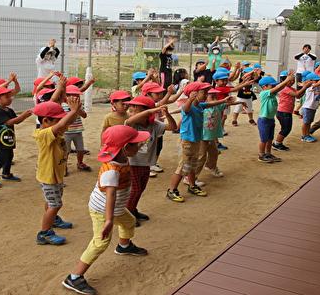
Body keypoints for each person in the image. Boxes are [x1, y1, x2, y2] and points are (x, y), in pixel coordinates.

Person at [62, 125, 150, 295]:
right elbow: (110, 196)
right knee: (100, 241)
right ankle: (74, 277)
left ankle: (124, 246)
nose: (139, 145)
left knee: (129, 221)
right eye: (136, 143)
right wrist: (109, 220)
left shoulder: (122, 157)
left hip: (116, 209)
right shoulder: (112, 171)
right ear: (125, 148)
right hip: (103, 210)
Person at [166, 82, 234, 202]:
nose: (206, 94)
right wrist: (190, 99)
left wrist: (224, 100)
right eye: (204, 92)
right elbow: (186, 109)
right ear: (194, 94)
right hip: (187, 141)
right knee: (183, 167)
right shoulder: (188, 106)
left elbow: (210, 103)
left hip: (196, 140)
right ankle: (172, 190)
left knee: (192, 165)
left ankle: (192, 186)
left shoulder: (200, 105)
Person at [32, 98, 81, 245]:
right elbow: (61, 124)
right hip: (48, 177)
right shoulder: (44, 134)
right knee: (55, 204)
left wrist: (75, 112)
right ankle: (44, 233)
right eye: (58, 120)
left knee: (51, 201)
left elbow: (63, 123)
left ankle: (53, 219)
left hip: (55, 176)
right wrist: (72, 111)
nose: (64, 124)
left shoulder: (56, 131)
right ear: (46, 121)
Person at [124, 96, 176, 225]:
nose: (133, 111)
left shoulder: (154, 125)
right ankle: (128, 214)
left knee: (141, 189)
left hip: (145, 163)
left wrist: (167, 114)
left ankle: (133, 209)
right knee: (134, 190)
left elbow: (173, 127)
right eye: (132, 109)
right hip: (132, 163)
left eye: (136, 108)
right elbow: (129, 121)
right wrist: (151, 110)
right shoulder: (132, 124)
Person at [0, 86, 33, 188]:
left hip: (8, 139)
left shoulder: (9, 110)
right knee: (1, 158)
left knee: (9, 156)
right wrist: (23, 115)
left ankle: (6, 174)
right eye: (7, 97)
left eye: (10, 96)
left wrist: (24, 116)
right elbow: (9, 122)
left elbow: (17, 121)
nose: (10, 98)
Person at [256, 74, 294, 163]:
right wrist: (286, 80)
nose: (274, 87)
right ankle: (261, 155)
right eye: (272, 86)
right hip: (264, 120)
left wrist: (286, 82)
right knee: (264, 139)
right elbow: (277, 88)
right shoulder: (264, 93)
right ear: (264, 87)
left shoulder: (272, 94)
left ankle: (268, 154)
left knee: (270, 139)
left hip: (270, 119)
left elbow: (278, 88)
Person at [272, 71, 311, 151]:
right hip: (283, 112)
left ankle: (278, 143)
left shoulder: (290, 88)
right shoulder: (285, 88)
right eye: (290, 80)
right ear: (284, 80)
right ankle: (277, 144)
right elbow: (296, 95)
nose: (292, 82)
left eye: (293, 80)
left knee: (286, 128)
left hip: (286, 112)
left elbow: (298, 96)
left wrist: (305, 88)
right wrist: (305, 87)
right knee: (286, 129)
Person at [62, 85, 91, 172]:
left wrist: (77, 109)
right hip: (66, 132)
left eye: (77, 95)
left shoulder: (78, 105)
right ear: (66, 96)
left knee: (80, 149)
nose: (76, 97)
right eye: (73, 95)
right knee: (65, 151)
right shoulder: (62, 106)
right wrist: (72, 110)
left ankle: (80, 163)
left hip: (78, 131)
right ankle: (64, 166)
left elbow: (84, 115)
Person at [299, 72, 320, 143]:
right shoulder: (309, 87)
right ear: (309, 81)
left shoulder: (318, 87)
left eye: (318, 80)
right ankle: (304, 136)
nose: (318, 82)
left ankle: (307, 134)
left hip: (313, 107)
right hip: (307, 107)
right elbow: (318, 84)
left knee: (309, 122)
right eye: (316, 80)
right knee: (306, 122)